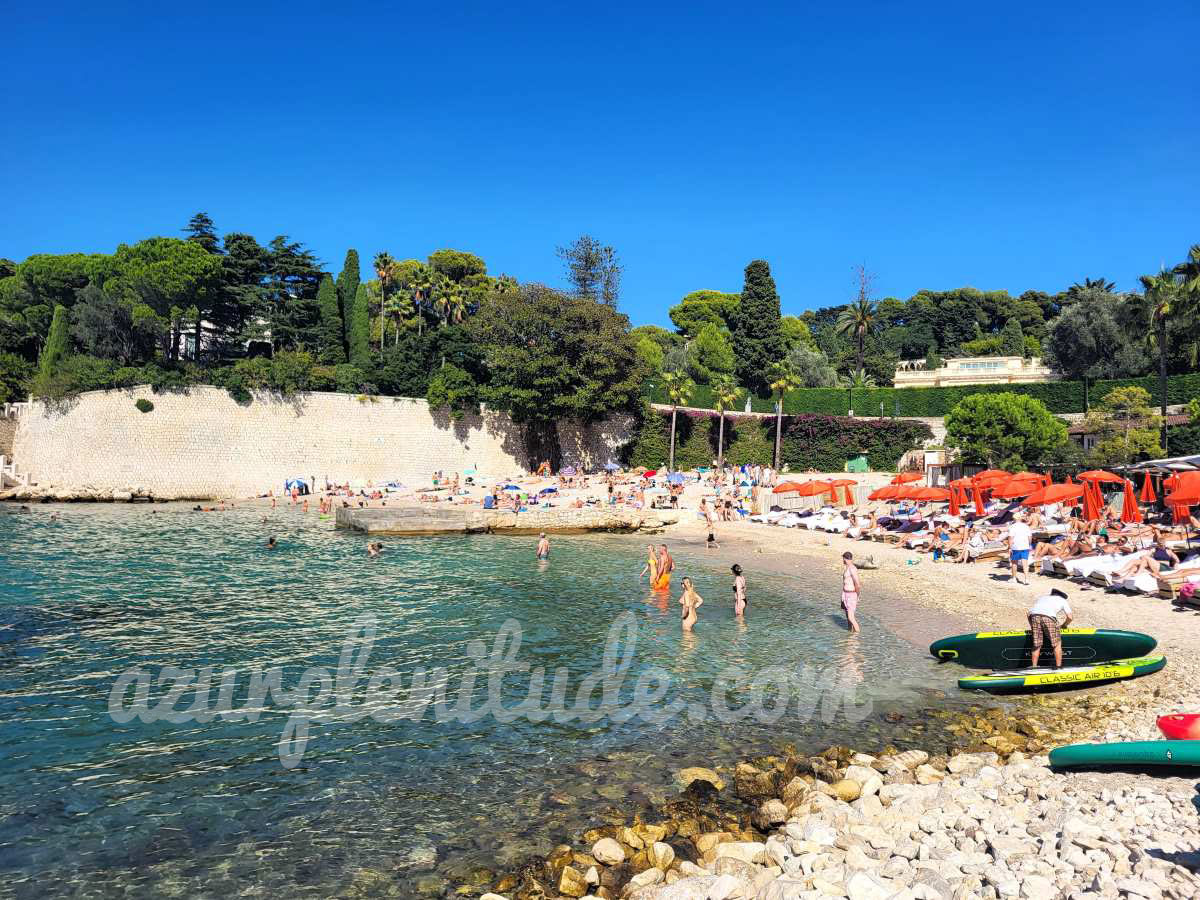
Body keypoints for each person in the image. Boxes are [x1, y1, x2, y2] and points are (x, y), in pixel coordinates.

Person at [1028, 588, 1073, 668]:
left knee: (1036, 645)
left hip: (1034, 616)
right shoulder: (1062, 600)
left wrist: (1032, 626)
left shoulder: (1043, 598)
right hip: (1048, 617)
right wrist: (1064, 625)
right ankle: (1058, 667)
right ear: (1062, 596)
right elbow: (1070, 617)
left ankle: (1034, 667)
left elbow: (1028, 614)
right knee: (1057, 644)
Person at [1007, 514, 1033, 585]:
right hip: (1025, 546)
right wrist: (1029, 544)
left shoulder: (1012, 527)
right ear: (1020, 518)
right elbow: (1030, 537)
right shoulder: (1026, 526)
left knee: (1014, 563)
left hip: (1016, 546)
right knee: (1025, 563)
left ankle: (1014, 578)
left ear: (1014, 519)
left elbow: (1010, 538)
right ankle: (1026, 579)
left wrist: (1009, 547)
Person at [840, 551, 861, 633]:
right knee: (847, 617)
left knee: (850, 617)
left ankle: (857, 636)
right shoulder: (847, 568)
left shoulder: (852, 569)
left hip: (851, 594)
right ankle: (850, 633)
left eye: (843, 559)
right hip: (845, 594)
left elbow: (858, 584)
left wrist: (857, 595)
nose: (842, 560)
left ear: (845, 559)